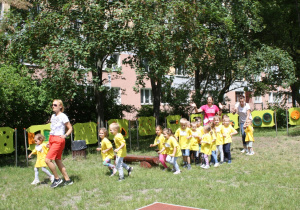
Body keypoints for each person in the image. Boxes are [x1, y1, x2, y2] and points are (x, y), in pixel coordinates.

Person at [45, 99, 73, 188]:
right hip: (52, 138)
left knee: (48, 160)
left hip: (58, 139)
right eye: (52, 105)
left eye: (55, 105)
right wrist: (49, 142)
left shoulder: (63, 116)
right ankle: (68, 180)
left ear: (60, 106)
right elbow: (53, 129)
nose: (53, 106)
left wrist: (65, 135)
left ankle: (57, 179)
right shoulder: (53, 116)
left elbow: (70, 128)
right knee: (57, 160)